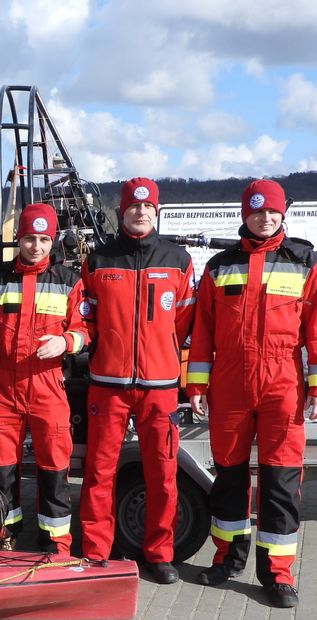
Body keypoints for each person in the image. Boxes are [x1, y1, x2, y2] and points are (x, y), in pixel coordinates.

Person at [186, 179, 317, 607]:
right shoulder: (219, 266)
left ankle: (277, 574)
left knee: (280, 483)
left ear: (281, 214)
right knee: (228, 479)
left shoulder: (304, 261)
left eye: (271, 212)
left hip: (282, 384)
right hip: (230, 385)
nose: (264, 218)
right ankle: (227, 559)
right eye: (256, 212)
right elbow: (203, 331)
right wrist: (197, 384)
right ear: (245, 216)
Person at [78, 178, 196, 583]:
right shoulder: (98, 260)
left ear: (156, 212)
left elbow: (183, 323)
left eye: (147, 207)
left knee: (162, 474)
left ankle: (159, 555)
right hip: (107, 384)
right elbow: (86, 318)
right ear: (121, 212)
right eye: (133, 207)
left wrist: (164, 358)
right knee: (99, 473)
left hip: (159, 387)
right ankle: (96, 553)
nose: (140, 212)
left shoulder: (178, 260)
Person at [0, 203, 89, 555]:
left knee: (54, 466)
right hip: (5, 385)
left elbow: (85, 329)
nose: (35, 246)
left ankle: (55, 543)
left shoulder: (69, 282)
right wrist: (7, 359)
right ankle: (4, 535)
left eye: (43, 239)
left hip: (47, 384)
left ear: (52, 241)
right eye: (28, 238)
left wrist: (65, 342)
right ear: (18, 240)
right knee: (1, 466)